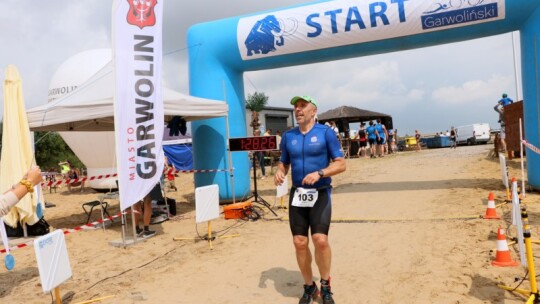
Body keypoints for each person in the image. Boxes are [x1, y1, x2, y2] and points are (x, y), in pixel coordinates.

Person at [275, 95, 346, 304]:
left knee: (320, 241)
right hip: (298, 194)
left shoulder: (326, 133)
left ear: (313, 111)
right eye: (296, 107)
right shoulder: (289, 137)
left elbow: (341, 164)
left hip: (320, 192)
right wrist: (279, 172)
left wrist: (321, 173)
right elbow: (283, 164)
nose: (298, 110)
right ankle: (308, 286)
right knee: (299, 242)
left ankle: (325, 285)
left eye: (302, 106)